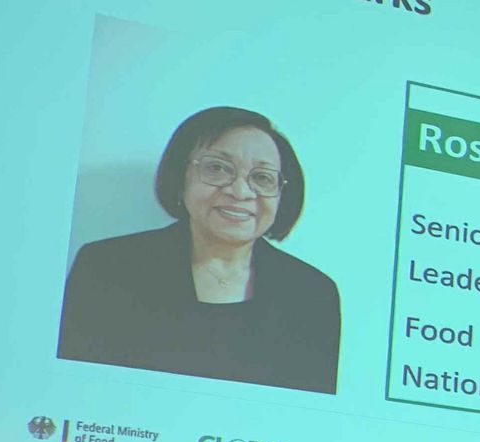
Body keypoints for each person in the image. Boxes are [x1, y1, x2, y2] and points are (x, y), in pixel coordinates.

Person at [58, 105, 340, 392]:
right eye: (217, 168)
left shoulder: (313, 294)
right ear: (181, 177)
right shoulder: (106, 267)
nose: (240, 192)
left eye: (262, 177)